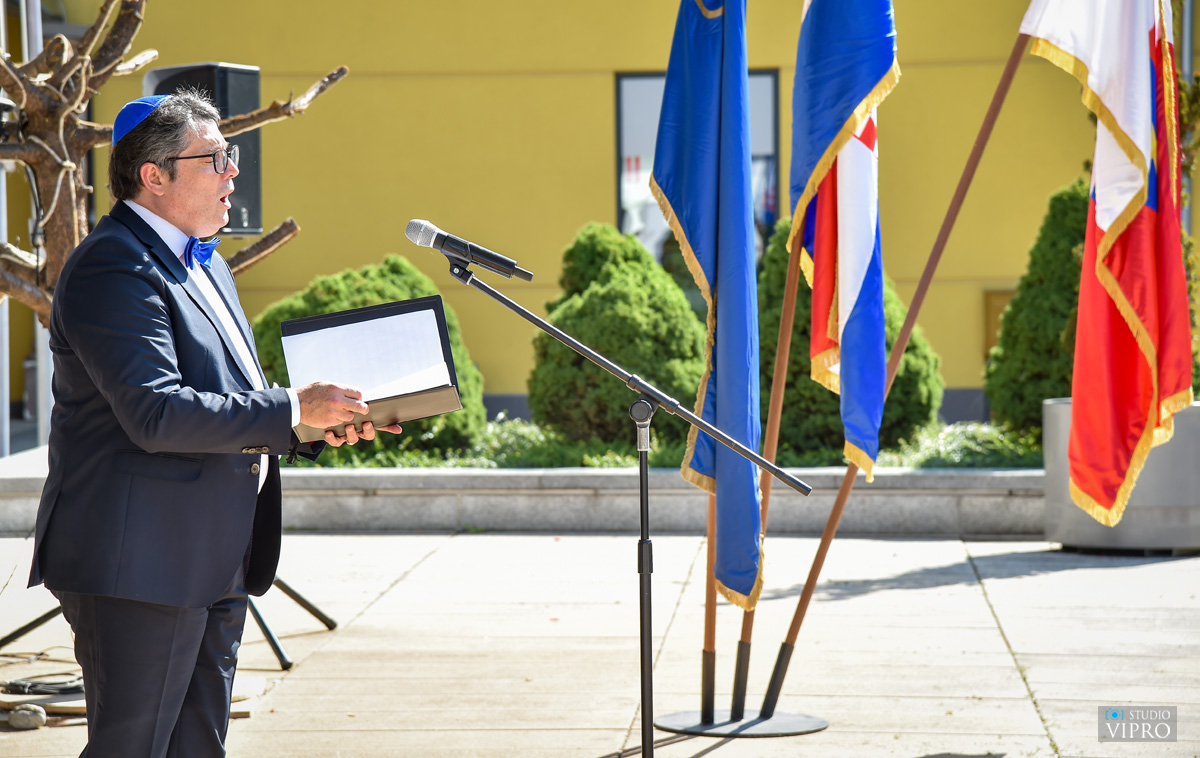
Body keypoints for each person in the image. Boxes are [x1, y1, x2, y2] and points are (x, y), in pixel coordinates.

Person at [26, 89, 398, 757]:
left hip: (213, 553)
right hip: (140, 563)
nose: (233, 172)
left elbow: (229, 398)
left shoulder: (206, 261)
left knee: (199, 747)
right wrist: (292, 408)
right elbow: (157, 413)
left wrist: (313, 423)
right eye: (215, 158)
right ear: (154, 175)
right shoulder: (114, 266)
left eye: (232, 156)